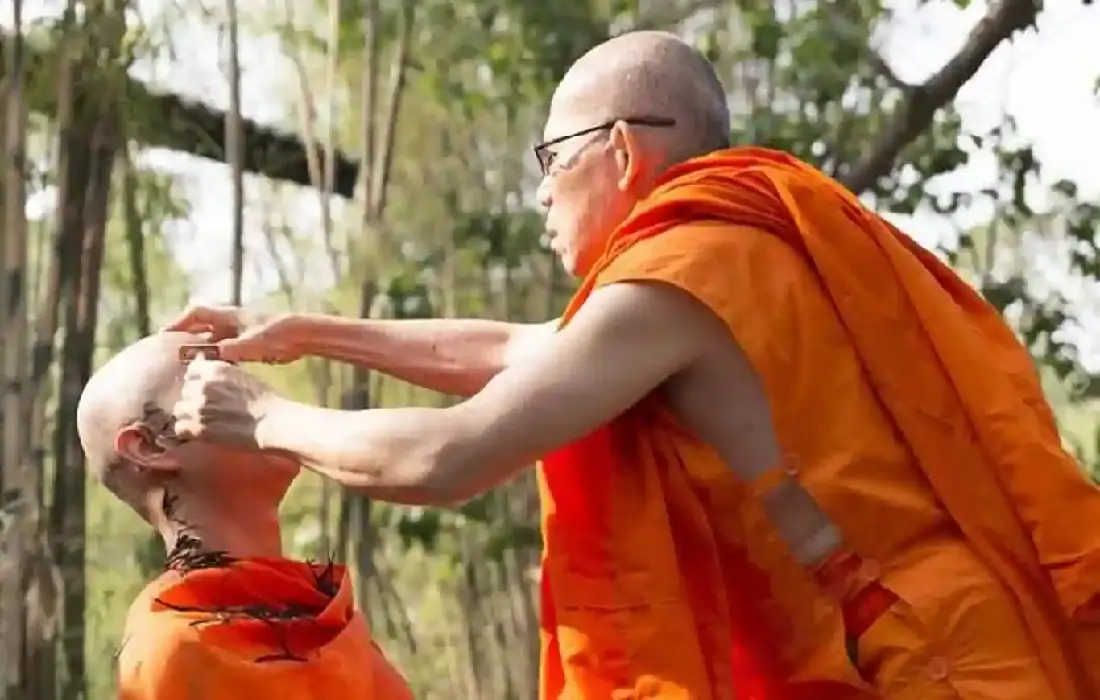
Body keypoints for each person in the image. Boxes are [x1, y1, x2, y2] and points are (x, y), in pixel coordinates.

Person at [166, 29, 1100, 700]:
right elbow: (516, 353)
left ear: (619, 149)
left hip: (941, 654)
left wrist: (264, 418)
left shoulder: (682, 272)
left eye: (549, 157)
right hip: (943, 624)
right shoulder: (739, 254)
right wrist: (309, 331)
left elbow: (447, 458)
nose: (538, 193)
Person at [76, 332, 413, 700]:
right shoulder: (175, 647)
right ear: (150, 446)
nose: (249, 390)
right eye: (212, 376)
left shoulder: (329, 619)